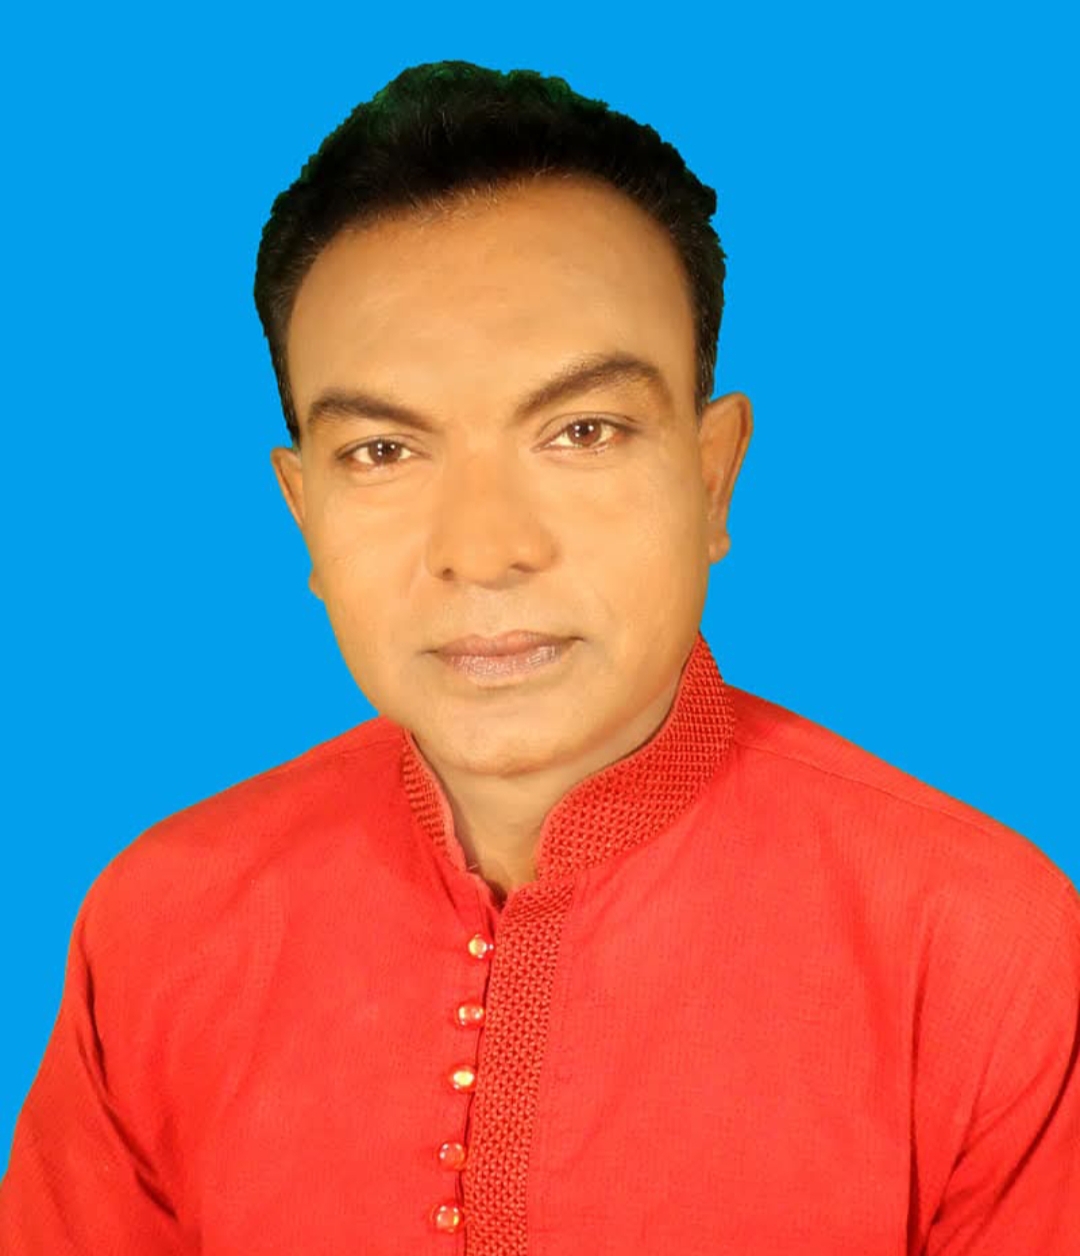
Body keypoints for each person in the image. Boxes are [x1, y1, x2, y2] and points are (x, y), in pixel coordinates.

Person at [1, 59, 1076, 1255]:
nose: (483, 548)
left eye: (583, 429)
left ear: (713, 476)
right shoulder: (158, 926)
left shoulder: (981, 948)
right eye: (382, 452)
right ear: (303, 511)